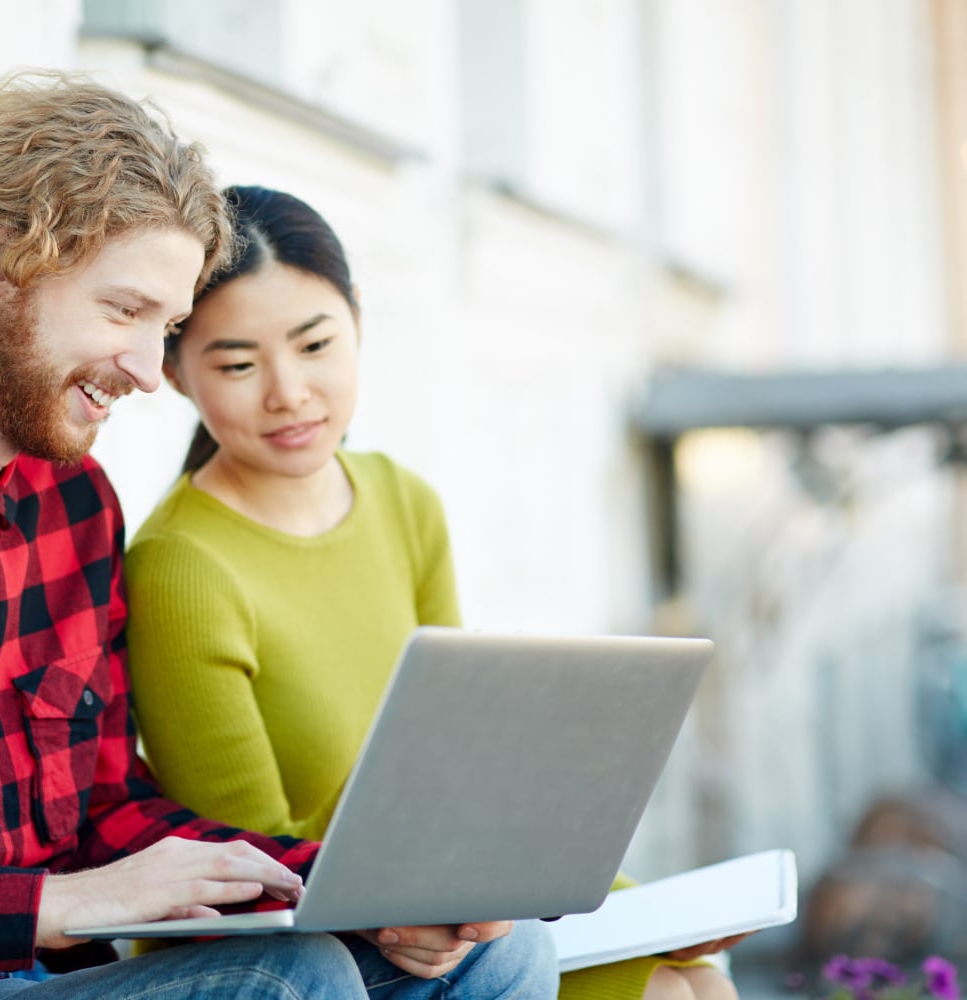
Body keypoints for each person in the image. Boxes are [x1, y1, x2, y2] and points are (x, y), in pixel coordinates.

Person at [0, 72, 558, 999]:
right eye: (123, 312)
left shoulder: (76, 503)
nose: (145, 369)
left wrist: (362, 887)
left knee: (503, 951)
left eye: (165, 327)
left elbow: (101, 807)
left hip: (59, 980)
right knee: (284, 981)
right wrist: (50, 905)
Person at [124, 184, 748, 1000]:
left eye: (316, 345)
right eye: (238, 364)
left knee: (696, 968)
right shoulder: (181, 566)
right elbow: (250, 862)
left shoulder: (401, 500)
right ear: (174, 371)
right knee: (664, 992)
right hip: (309, 941)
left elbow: (460, 756)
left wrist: (611, 900)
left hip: (445, 897)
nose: (288, 392)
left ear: (358, 325)